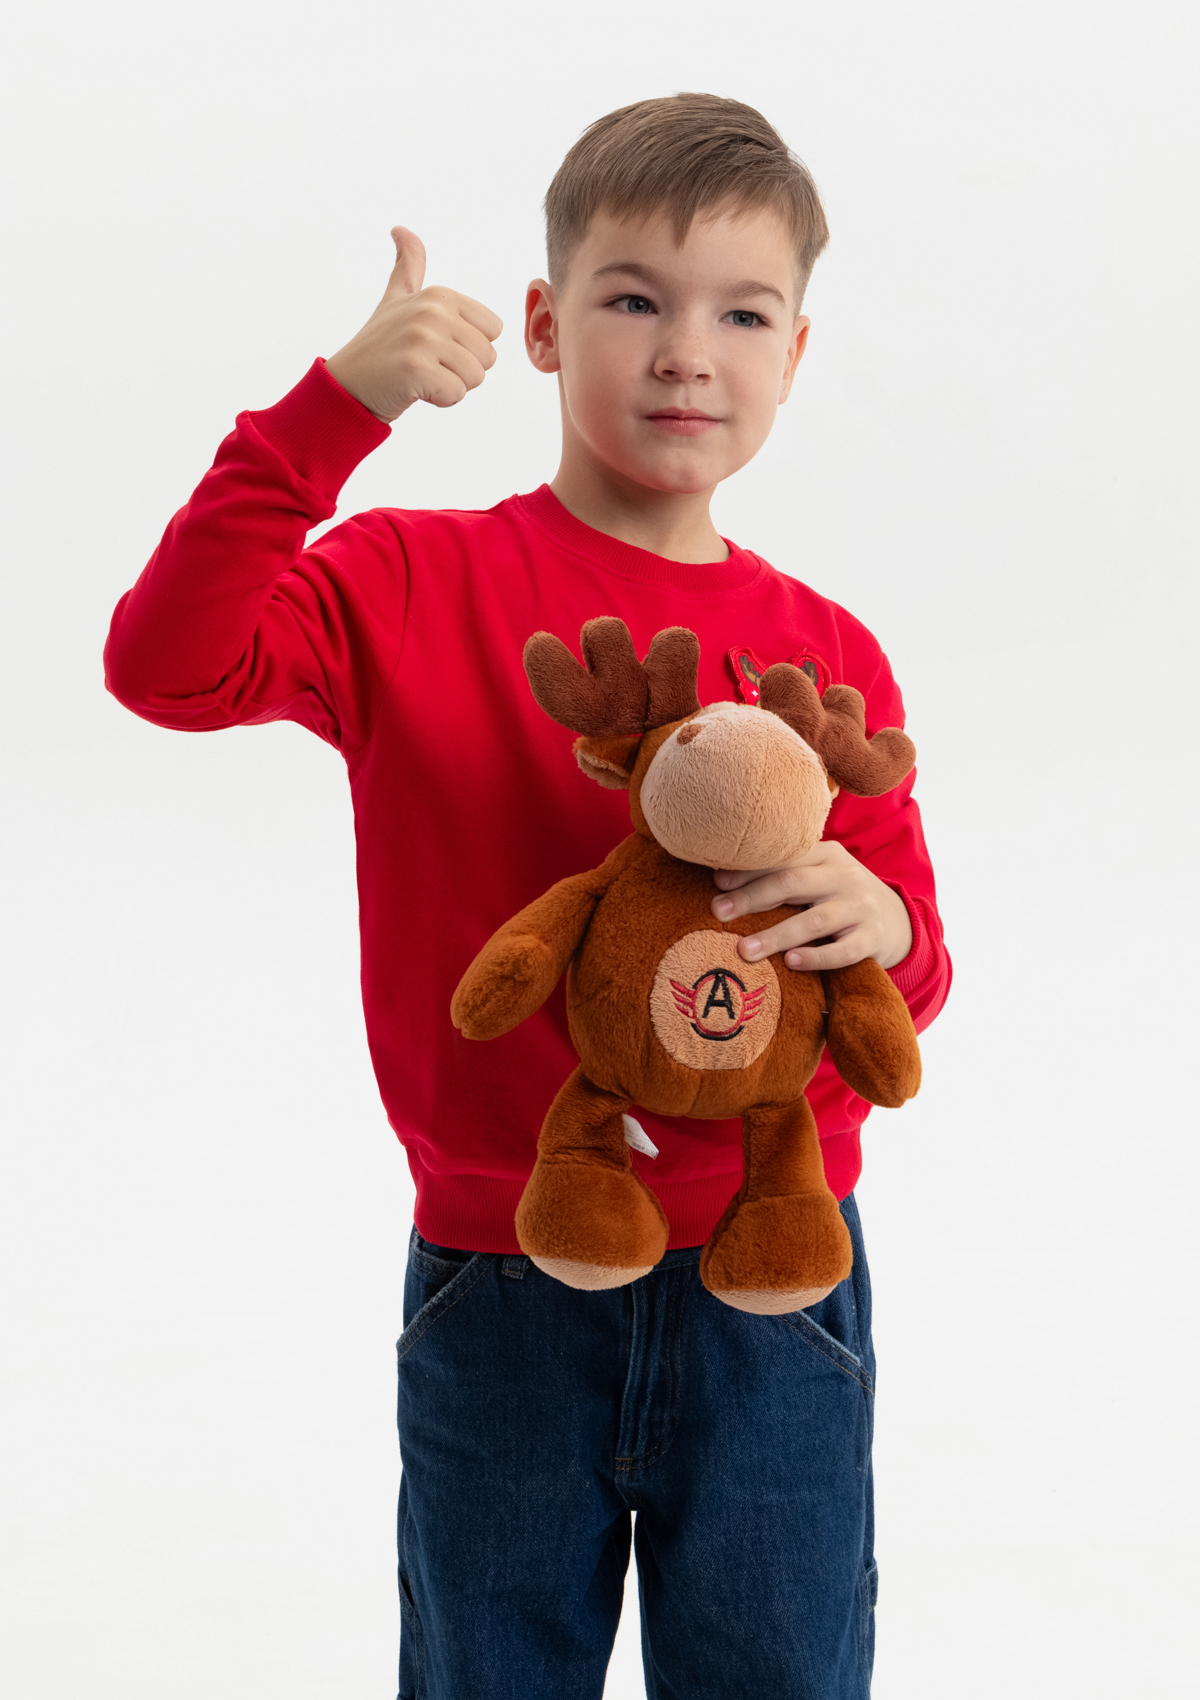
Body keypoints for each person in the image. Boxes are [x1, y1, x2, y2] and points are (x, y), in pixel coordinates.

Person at [105, 92, 950, 1700]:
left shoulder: (829, 654)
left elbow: (909, 990)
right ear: (549, 327)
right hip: (503, 1265)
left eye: (741, 314)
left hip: (773, 1274)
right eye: (635, 300)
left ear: (794, 354)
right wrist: (332, 413)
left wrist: (885, 924)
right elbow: (166, 666)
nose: (686, 352)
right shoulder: (405, 581)